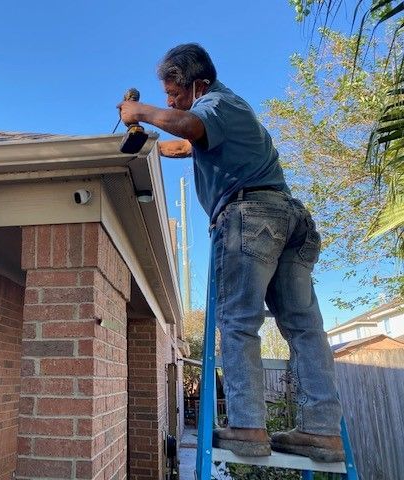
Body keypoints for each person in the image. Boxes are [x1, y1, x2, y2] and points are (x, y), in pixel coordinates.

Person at [117, 43, 344, 462]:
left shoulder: (219, 102)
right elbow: (186, 143)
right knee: (303, 327)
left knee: (238, 323)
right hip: (286, 219)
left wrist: (142, 111)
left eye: (175, 95)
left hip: (250, 217)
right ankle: (323, 433)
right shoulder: (228, 115)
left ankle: (246, 427)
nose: (170, 102)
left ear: (198, 84)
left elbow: (189, 127)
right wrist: (149, 141)